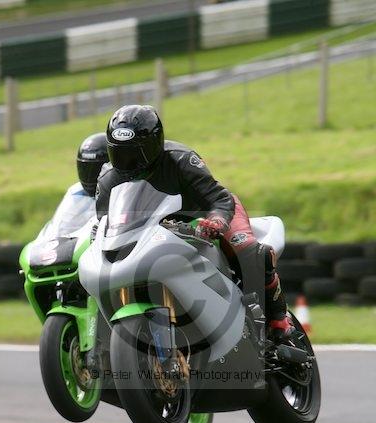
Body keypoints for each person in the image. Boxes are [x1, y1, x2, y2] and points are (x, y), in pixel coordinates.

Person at [95, 104, 294, 340]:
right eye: (120, 154)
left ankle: (278, 318)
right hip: (155, 236)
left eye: (136, 154)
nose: (128, 163)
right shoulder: (108, 179)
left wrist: (217, 221)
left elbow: (219, 198)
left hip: (205, 217)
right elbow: (105, 221)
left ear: (155, 145)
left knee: (248, 250)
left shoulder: (181, 159)